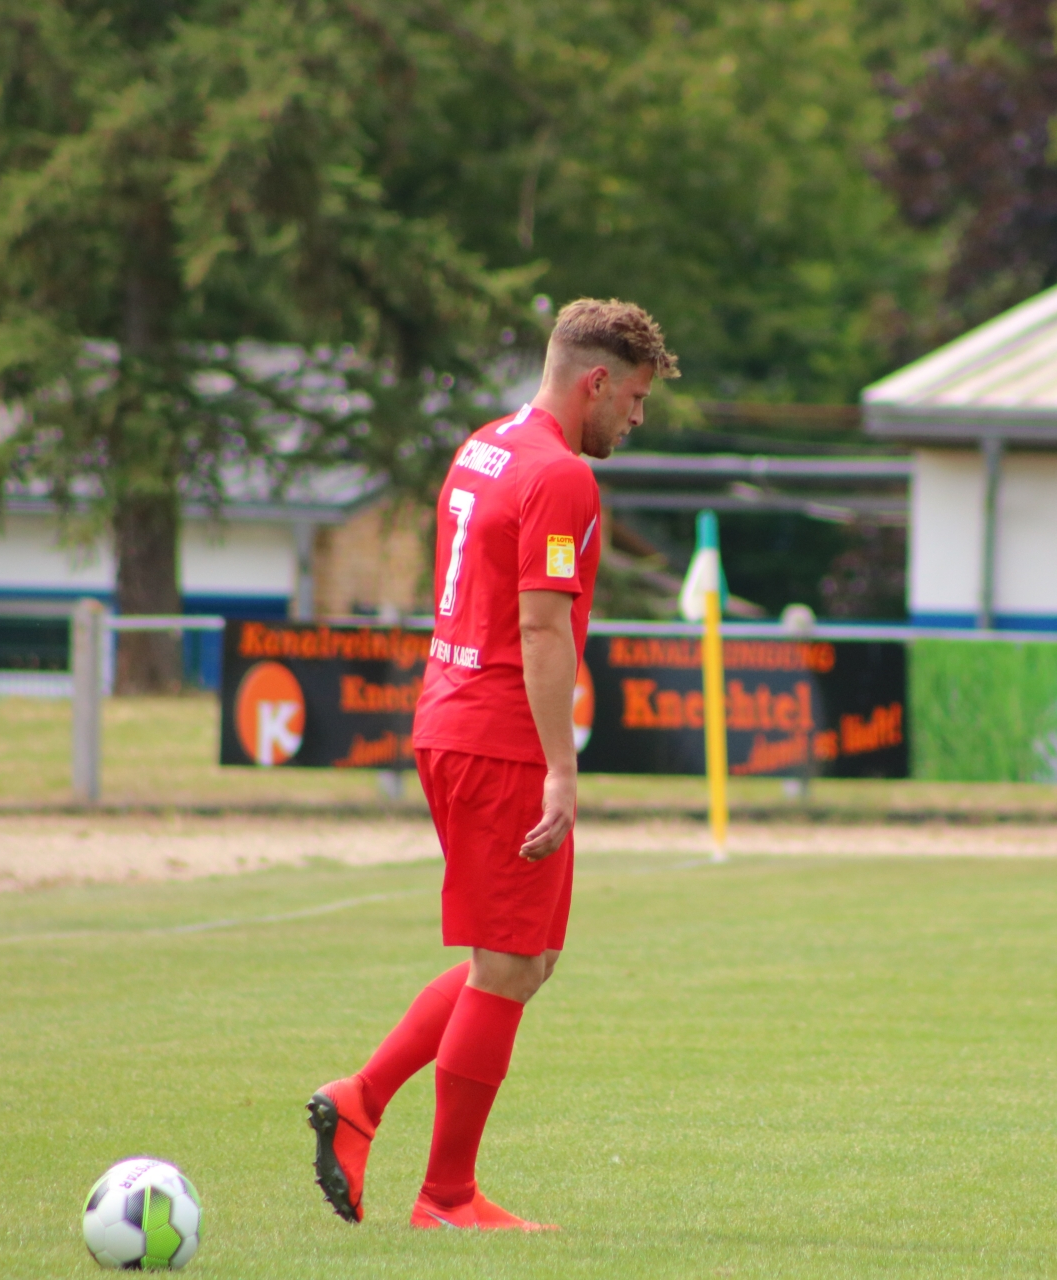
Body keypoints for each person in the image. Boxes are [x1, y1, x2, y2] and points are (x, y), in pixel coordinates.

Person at [307, 299, 679, 1231]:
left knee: (524, 958)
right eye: (635, 399)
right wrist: (562, 769)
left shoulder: (485, 446)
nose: (637, 417)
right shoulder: (561, 476)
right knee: (509, 964)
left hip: (451, 717)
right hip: (499, 736)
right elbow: (542, 628)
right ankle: (446, 1197)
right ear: (597, 382)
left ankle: (362, 1099)